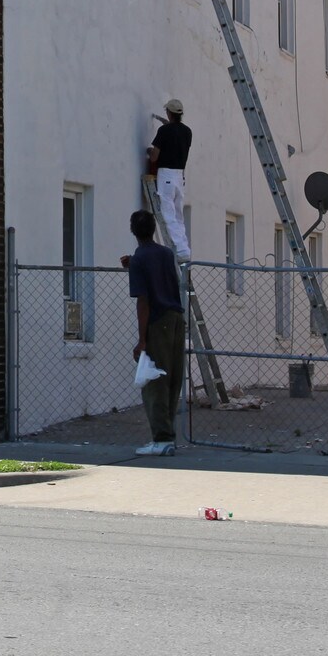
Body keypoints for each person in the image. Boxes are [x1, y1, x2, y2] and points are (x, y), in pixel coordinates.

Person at [124, 209, 185, 456]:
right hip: (176, 319)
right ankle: (168, 435)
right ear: (152, 229)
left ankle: (161, 438)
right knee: (172, 378)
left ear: (133, 231)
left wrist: (142, 340)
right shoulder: (166, 254)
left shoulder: (139, 260)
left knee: (154, 380)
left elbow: (143, 301)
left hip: (157, 320)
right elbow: (161, 276)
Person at [146, 97, 192, 258]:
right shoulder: (187, 131)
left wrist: (149, 151)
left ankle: (177, 250)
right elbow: (176, 140)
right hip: (180, 176)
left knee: (168, 213)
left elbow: (154, 157)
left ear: (168, 112)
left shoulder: (164, 131)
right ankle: (184, 250)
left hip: (166, 175)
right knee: (178, 215)